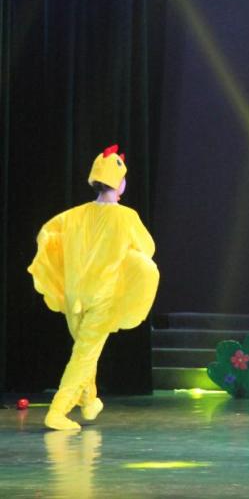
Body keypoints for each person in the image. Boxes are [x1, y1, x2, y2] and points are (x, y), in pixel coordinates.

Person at [28, 145, 160, 431]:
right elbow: (148, 248)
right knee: (85, 354)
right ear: (119, 183)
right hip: (102, 295)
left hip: (74, 295)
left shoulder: (72, 215)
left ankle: (89, 401)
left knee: (85, 350)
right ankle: (57, 411)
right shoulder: (126, 217)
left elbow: (46, 233)